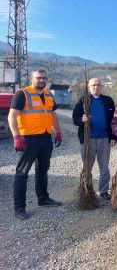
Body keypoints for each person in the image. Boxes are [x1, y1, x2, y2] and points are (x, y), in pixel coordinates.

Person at [8, 69, 63, 220]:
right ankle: (19, 208)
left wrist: (58, 132)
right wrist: (16, 137)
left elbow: (52, 115)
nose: (42, 80)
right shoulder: (22, 94)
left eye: (44, 78)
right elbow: (12, 116)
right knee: (22, 174)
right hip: (28, 139)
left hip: (45, 138)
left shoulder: (49, 94)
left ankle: (43, 198)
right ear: (32, 78)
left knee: (42, 170)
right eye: (38, 78)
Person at [72, 78, 116, 200]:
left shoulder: (108, 100)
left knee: (104, 167)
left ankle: (103, 191)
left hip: (104, 139)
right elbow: (75, 118)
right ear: (89, 87)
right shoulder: (83, 100)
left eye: (98, 85)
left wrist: (113, 137)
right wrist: (82, 120)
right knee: (87, 167)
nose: (96, 87)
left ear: (102, 87)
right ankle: (86, 190)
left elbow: (114, 120)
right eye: (93, 85)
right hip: (87, 140)